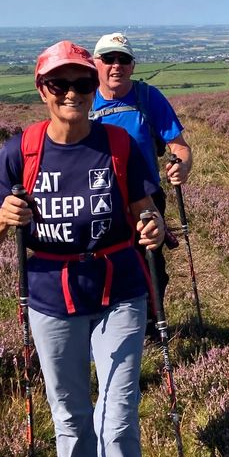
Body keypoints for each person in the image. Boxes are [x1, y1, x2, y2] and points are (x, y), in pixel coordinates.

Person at [0, 40, 164, 457]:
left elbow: (143, 208)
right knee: (70, 415)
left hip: (120, 291)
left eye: (81, 83)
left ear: (93, 84)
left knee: (118, 414)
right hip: (51, 298)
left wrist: (153, 225)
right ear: (43, 89)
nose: (72, 93)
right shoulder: (21, 151)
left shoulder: (118, 144)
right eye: (60, 84)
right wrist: (5, 216)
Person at [89, 32, 193, 337]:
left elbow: (179, 146)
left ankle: (149, 329)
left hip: (146, 199)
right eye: (108, 59)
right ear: (96, 64)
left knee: (149, 264)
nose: (116, 66)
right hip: (98, 201)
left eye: (123, 59)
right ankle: (103, 329)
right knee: (101, 267)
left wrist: (182, 164)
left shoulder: (149, 98)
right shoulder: (84, 101)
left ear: (133, 66)